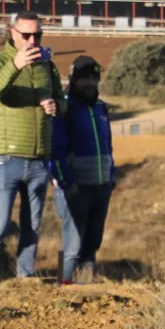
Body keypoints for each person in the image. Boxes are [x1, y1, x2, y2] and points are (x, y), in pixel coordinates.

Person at [0, 11, 64, 286]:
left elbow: (62, 102)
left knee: (32, 226)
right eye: (26, 35)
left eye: (38, 35)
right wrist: (15, 65)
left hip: (39, 159)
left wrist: (56, 106)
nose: (32, 40)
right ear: (12, 33)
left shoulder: (47, 66)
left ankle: (26, 277)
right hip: (6, 157)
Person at [50, 55, 115, 285]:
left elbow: (108, 145)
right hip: (75, 189)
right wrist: (66, 182)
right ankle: (62, 286)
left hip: (101, 187)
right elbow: (56, 148)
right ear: (73, 80)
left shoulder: (100, 108)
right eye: (84, 78)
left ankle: (85, 287)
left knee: (91, 245)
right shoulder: (65, 107)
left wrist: (111, 176)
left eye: (94, 78)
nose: (90, 83)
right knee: (71, 245)